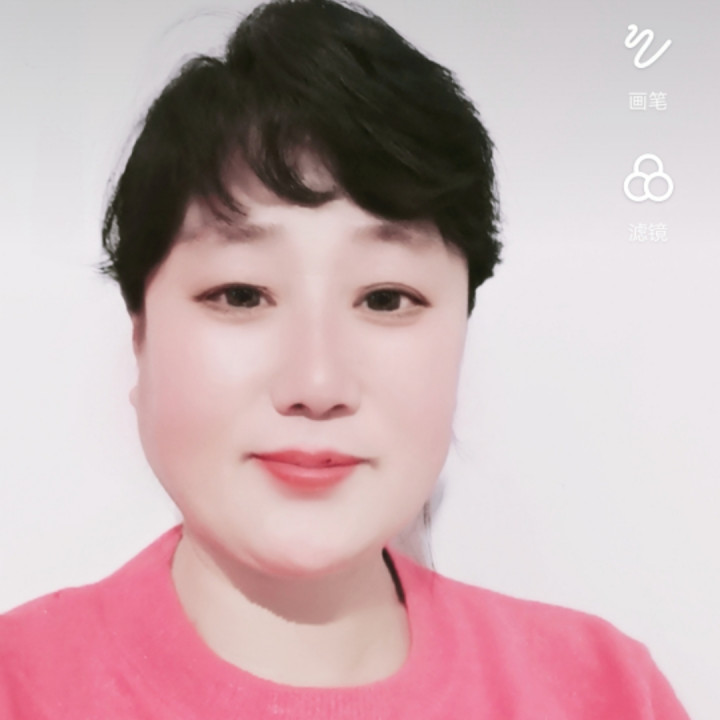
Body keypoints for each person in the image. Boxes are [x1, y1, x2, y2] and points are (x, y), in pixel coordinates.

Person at [0, 0, 691, 717]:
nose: (317, 383)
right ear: (140, 337)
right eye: (241, 294)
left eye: (386, 299)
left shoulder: (605, 692)